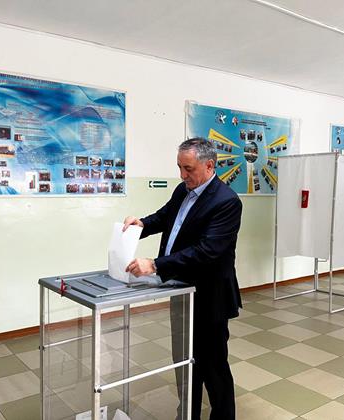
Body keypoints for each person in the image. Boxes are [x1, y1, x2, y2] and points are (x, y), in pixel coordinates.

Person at [123, 137, 242, 420]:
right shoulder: (183, 190)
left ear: (209, 165)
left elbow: (206, 251)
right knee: (184, 361)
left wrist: (155, 265)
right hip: (180, 290)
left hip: (210, 296)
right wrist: (141, 224)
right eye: (179, 167)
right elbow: (165, 217)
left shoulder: (227, 202)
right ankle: (188, 413)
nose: (182, 174)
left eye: (188, 168)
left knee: (212, 365)